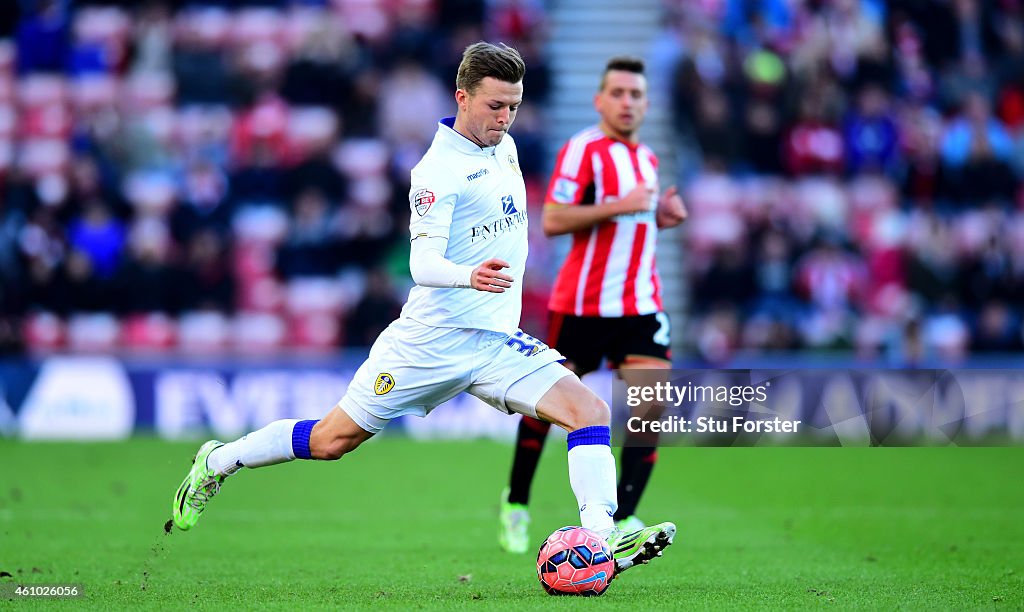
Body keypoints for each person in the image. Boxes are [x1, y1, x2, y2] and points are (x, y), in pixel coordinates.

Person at [172, 42, 675, 577]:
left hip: (495, 342)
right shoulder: (437, 171)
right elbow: (421, 262)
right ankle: (218, 460)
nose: (504, 119)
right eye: (494, 106)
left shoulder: (502, 147)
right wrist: (469, 275)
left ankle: (602, 537)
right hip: (429, 343)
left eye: (513, 107)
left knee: (590, 413)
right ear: (462, 97)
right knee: (330, 441)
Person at [498, 56, 688, 554]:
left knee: (648, 410)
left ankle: (623, 521)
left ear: (646, 104)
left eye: (636, 94)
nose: (628, 102)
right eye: (619, 93)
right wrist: (621, 205)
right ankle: (516, 502)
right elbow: (555, 219)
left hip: (641, 305)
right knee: (547, 409)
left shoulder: (646, 158)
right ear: (599, 100)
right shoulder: (583, 150)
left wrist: (660, 217)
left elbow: (630, 228)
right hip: (580, 305)